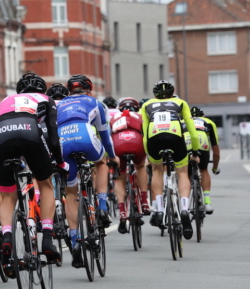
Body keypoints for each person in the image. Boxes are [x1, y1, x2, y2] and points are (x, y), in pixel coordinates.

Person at [0, 73, 66, 277]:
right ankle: (48, 238)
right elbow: (52, 135)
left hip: (2, 134)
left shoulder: (5, 100)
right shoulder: (46, 99)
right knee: (46, 184)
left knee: (6, 195)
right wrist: (59, 162)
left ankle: (6, 236)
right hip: (29, 131)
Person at [57, 74, 119, 268]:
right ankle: (101, 207)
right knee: (101, 162)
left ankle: (75, 240)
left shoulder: (58, 105)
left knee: (70, 191)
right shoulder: (95, 103)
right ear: (88, 89)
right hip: (85, 135)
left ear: (69, 91)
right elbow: (105, 136)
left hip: (62, 142)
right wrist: (112, 156)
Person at [139, 80, 199, 240]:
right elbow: (192, 130)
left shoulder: (146, 106)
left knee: (157, 170)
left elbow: (144, 133)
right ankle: (185, 207)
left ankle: (159, 208)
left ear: (154, 95)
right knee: (183, 173)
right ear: (172, 93)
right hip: (174, 136)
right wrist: (195, 150)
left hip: (153, 138)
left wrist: (148, 154)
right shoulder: (180, 102)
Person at [109, 97, 149, 234]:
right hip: (136, 142)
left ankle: (122, 212)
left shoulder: (114, 117)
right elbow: (147, 135)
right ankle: (144, 201)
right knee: (140, 167)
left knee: (120, 177)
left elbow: (108, 136)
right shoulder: (140, 116)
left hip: (118, 143)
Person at [190, 106, 220, 214]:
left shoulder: (184, 120)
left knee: (185, 172)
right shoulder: (208, 122)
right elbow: (216, 152)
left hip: (187, 144)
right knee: (203, 169)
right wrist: (215, 168)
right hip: (202, 144)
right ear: (203, 116)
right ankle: (207, 203)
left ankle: (185, 203)